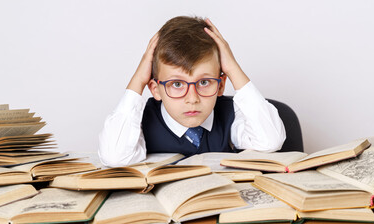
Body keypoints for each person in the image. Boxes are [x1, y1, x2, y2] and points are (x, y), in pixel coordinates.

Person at [98, 16, 286, 167]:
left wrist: (233, 68)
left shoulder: (232, 113)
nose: (192, 98)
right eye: (177, 84)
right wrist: (138, 80)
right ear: (155, 89)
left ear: (220, 85)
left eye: (204, 82)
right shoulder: (139, 120)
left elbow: (269, 141)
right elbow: (115, 157)